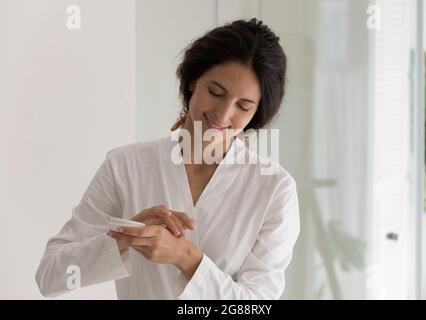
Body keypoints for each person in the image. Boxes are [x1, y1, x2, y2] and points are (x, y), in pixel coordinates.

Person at [35, 18, 300, 299]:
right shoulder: (126, 166)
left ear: (256, 113)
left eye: (243, 106)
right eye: (215, 93)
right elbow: (50, 275)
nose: (223, 115)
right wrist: (124, 237)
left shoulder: (274, 188)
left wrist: (187, 258)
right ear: (192, 82)